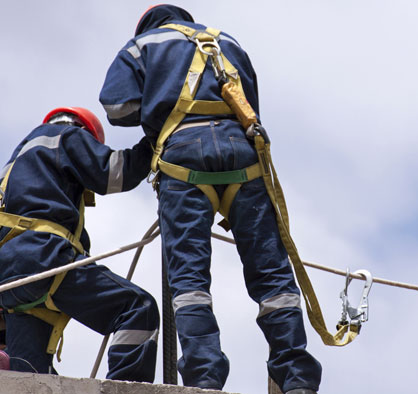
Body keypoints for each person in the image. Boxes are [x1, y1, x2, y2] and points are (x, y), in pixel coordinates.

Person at [99, 5, 322, 393]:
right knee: (273, 278)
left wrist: (161, 108)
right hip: (244, 155)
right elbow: (249, 103)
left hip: (183, 156)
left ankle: (204, 379)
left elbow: (118, 108)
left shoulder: (142, 45)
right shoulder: (227, 41)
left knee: (190, 279)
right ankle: (295, 379)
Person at [0, 106, 158, 381]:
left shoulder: (14, 165)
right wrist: (157, 142)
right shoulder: (67, 136)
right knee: (137, 309)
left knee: (30, 378)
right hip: (45, 257)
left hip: (9, 276)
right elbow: (115, 173)